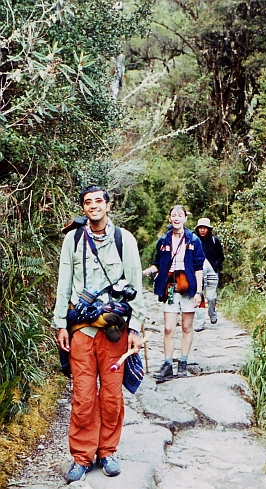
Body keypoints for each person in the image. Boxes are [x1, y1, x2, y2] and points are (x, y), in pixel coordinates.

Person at [54, 185, 145, 484]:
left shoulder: (124, 240)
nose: (93, 206)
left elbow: (135, 286)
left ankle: (107, 452)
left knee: (111, 395)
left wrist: (136, 328)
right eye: (87, 202)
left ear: (108, 205)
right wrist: (60, 324)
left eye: (98, 201)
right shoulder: (73, 240)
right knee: (82, 396)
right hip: (81, 331)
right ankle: (81, 456)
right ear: (83, 208)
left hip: (114, 332)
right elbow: (63, 283)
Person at [142, 205, 205, 380]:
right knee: (169, 328)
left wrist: (199, 292)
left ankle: (183, 362)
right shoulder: (163, 241)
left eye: (180, 215)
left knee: (186, 327)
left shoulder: (193, 240)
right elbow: (157, 264)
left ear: (185, 218)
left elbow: (199, 268)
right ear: (169, 218)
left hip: (189, 288)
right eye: (173, 215)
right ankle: (168, 363)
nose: (176, 218)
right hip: (170, 288)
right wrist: (142, 273)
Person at [194, 217, 224, 329]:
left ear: (208, 229)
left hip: (212, 272)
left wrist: (215, 266)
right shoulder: (194, 240)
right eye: (200, 228)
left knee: (211, 297)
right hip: (198, 272)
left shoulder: (214, 241)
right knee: (199, 296)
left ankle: (212, 314)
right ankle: (200, 322)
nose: (202, 230)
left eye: (204, 228)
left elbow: (221, 256)